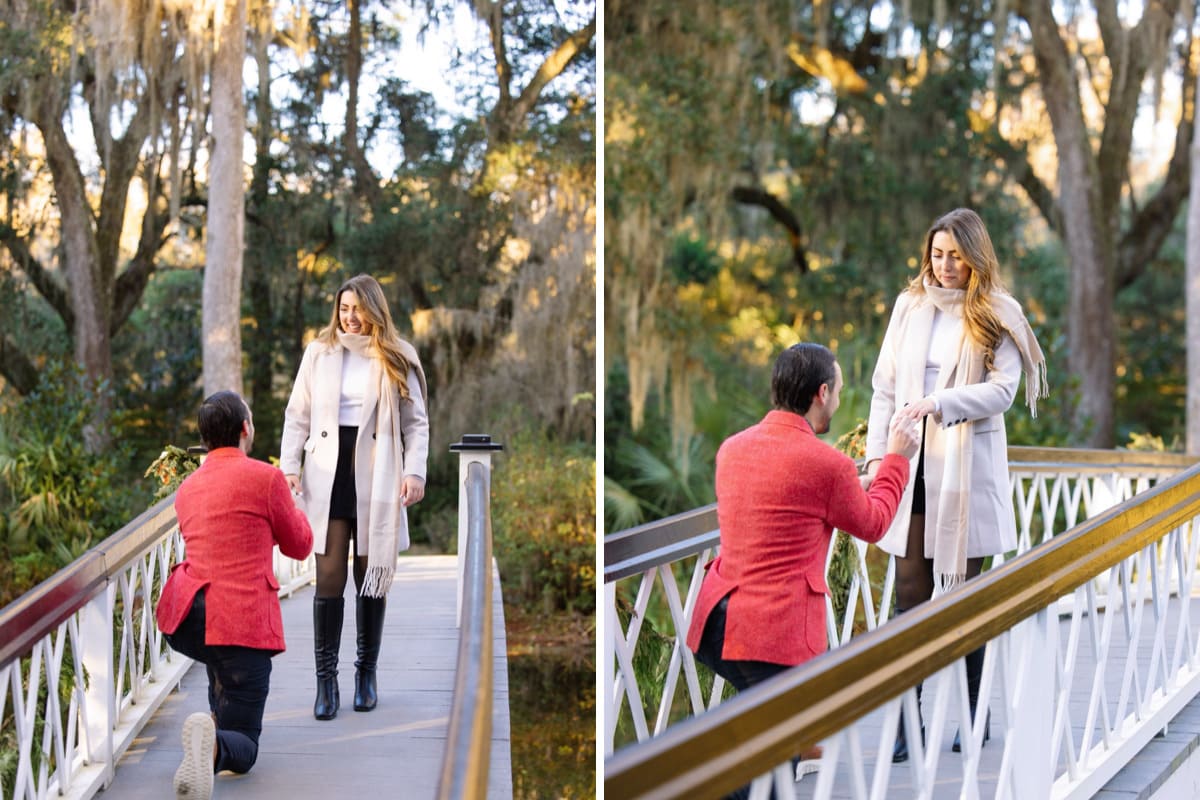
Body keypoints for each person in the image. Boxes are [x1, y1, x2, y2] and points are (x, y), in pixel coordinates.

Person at [685, 342, 921, 794]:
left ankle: (797, 741)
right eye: (837, 392)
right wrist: (896, 460)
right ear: (822, 392)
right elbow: (871, 523)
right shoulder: (826, 464)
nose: (837, 400)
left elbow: (791, 500)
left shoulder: (732, 449)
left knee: (772, 733)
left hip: (717, 622)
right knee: (766, 768)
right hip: (771, 635)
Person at [863, 208, 1048, 762]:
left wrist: (941, 403)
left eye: (956, 256)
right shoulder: (909, 305)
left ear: (976, 257)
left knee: (965, 601)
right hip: (910, 466)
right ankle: (906, 724)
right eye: (937, 254)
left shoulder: (998, 313)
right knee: (909, 597)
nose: (945, 266)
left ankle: (973, 713)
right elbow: (883, 389)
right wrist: (877, 458)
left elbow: (1005, 391)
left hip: (965, 468)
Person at [280, 274, 430, 720]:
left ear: (374, 310)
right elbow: (297, 415)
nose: (351, 317)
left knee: (371, 576)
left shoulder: (397, 357)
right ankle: (326, 681)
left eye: (358, 309)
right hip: (327, 473)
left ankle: (366, 674)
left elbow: (415, 423)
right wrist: (289, 466)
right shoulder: (319, 352)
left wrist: (415, 471)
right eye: (344, 308)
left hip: (377, 471)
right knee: (328, 579)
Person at [156, 391, 314, 800]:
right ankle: (214, 748)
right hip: (241, 620)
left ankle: (208, 730)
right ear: (246, 429)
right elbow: (299, 546)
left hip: (191, 617)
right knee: (244, 745)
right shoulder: (266, 478)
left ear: (205, 438)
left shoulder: (187, 489)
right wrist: (295, 507)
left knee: (220, 664)